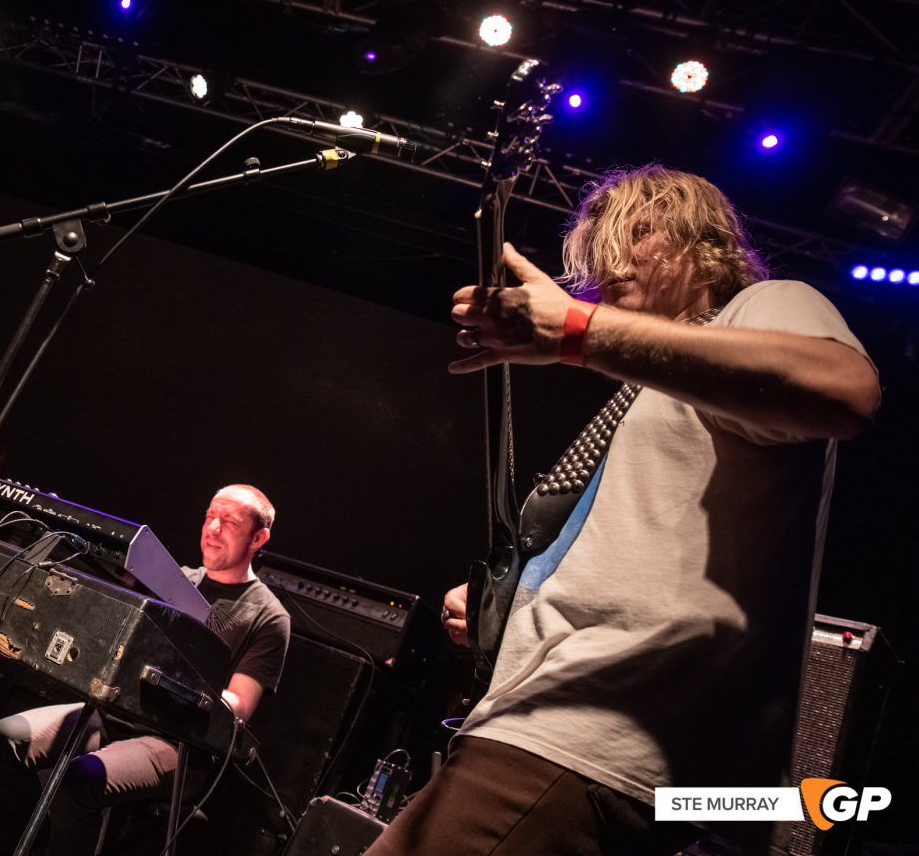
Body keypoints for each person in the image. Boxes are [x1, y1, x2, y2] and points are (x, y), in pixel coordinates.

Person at [366, 165, 880, 856]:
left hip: (589, 741)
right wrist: (509, 609)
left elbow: (843, 389)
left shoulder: (765, 305)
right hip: (591, 745)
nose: (605, 269)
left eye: (632, 237)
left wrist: (579, 331)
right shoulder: (654, 388)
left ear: (693, 242)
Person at [0, 483, 291, 856]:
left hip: (178, 744)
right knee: (1, 741)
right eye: (210, 516)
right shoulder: (174, 582)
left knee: (80, 781)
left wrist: (178, 681)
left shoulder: (269, 616)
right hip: (112, 715)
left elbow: (239, 705)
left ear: (259, 537)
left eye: (229, 522)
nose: (213, 529)